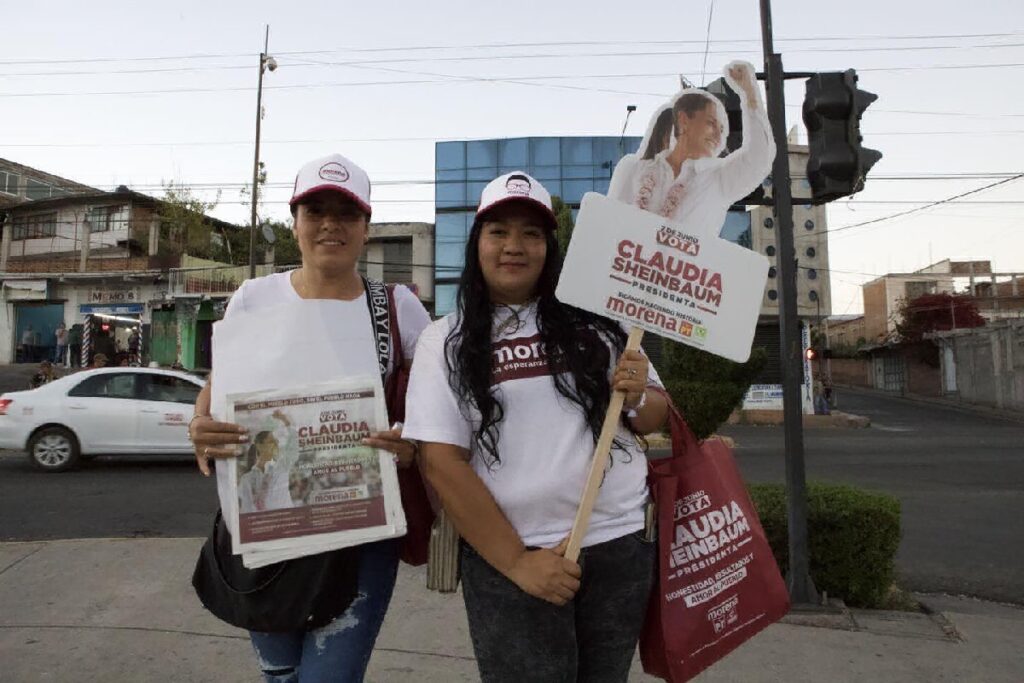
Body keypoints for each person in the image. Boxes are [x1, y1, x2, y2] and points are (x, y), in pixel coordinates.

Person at [403, 172, 670, 682]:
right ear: (477, 243)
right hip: (515, 557)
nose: (514, 246)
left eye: (531, 233)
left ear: (549, 247)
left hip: (620, 543)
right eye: (498, 231)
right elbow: (441, 461)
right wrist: (518, 563)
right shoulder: (446, 341)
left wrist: (639, 395)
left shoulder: (599, 323)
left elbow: (655, 415)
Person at [188, 152, 431, 682]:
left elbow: (437, 404)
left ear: (366, 227)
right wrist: (200, 427)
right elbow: (217, 391)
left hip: (361, 533)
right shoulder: (254, 298)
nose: (330, 225)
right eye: (315, 210)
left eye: (346, 213)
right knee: (280, 675)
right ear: (294, 222)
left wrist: (411, 447)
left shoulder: (396, 307)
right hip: (268, 526)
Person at [608, 61, 774, 236]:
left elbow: (757, 159)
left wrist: (750, 95)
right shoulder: (633, 169)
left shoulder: (718, 179)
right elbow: (609, 228)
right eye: (711, 123)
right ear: (684, 120)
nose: (718, 136)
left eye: (722, 130)